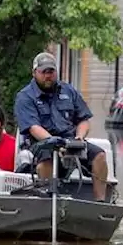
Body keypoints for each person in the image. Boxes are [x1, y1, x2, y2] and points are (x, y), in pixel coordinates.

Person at [13, 52, 109, 201]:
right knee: (45, 162)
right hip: (40, 143)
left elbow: (84, 119)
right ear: (34, 73)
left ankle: (101, 203)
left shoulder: (68, 91)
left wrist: (79, 138)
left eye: (51, 71)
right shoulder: (25, 96)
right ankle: (48, 201)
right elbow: (33, 127)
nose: (48, 75)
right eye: (43, 72)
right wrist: (55, 142)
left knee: (99, 156)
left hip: (72, 141)